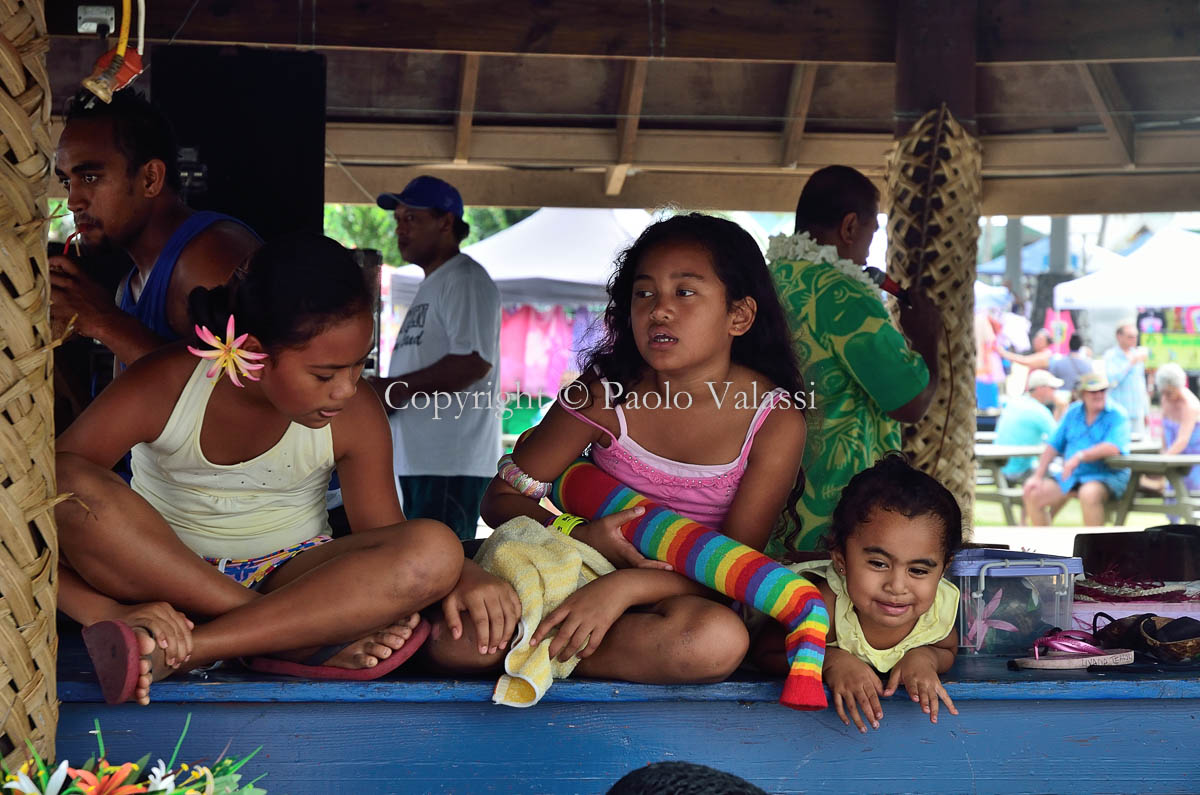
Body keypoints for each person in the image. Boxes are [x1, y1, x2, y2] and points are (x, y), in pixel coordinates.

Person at [54, 233, 473, 705]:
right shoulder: (165, 383)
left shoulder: (358, 414)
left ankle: (196, 648)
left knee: (433, 548)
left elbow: (390, 545)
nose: (346, 390)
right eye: (324, 375)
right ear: (254, 352)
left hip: (290, 574)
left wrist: (463, 571)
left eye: (359, 368)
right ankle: (291, 638)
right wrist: (103, 610)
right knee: (62, 481)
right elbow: (35, 508)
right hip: (160, 578)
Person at [431, 214, 809, 685]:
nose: (659, 310)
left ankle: (534, 650)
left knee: (716, 642)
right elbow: (500, 500)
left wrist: (622, 588)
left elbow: (734, 567)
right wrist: (580, 534)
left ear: (739, 315)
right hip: (573, 572)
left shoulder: (773, 420)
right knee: (460, 642)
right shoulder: (601, 394)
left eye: (685, 292)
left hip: (687, 596)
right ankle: (552, 645)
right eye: (644, 293)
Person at [766, 164, 942, 556]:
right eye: (870, 233)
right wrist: (926, 339)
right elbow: (909, 402)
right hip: (832, 503)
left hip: (764, 493)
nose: (867, 248)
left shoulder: (766, 279)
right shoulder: (843, 292)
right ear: (849, 227)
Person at [749, 454, 962, 732]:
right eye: (878, 563)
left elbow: (946, 648)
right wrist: (830, 661)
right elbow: (765, 651)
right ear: (840, 559)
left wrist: (924, 658)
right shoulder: (822, 605)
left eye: (919, 570)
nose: (897, 586)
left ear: (943, 569)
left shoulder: (936, 609)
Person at [51, 89, 260, 367]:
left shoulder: (209, 257)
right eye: (67, 182)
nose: (73, 201)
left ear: (150, 178)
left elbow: (247, 395)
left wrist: (103, 321)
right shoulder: (130, 286)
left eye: (90, 177)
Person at [370, 176, 501, 541]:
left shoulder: (464, 279)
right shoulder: (434, 282)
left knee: (439, 568)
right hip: (423, 460)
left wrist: (392, 389)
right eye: (398, 220)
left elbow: (473, 362)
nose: (400, 229)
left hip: (450, 462)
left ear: (445, 222)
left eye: (411, 218)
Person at [1022, 372, 1131, 527]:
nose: (1099, 395)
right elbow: (1053, 444)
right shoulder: (1073, 412)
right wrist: (1037, 476)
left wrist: (1080, 456)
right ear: (1083, 394)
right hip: (1073, 475)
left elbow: (1113, 447)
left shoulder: (1117, 414)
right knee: (1034, 493)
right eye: (1094, 391)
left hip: (1106, 475)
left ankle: (1093, 549)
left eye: (1103, 390)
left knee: (1089, 493)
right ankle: (1043, 547)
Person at [993, 369, 1061, 485]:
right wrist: (1061, 408)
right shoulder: (1040, 411)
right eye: (1052, 388)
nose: (1055, 392)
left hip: (1000, 467)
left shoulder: (1015, 402)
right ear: (1041, 389)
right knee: (1065, 475)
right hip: (1019, 470)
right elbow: (1059, 438)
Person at [1156, 363, 1200, 509]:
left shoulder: (1190, 405)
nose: (1166, 396)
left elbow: (1183, 439)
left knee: (1191, 502)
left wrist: (1163, 459)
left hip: (1193, 463)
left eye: (1170, 392)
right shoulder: (1165, 399)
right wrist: (1163, 450)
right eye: (1163, 392)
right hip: (1173, 458)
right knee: (1172, 503)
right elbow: (1164, 429)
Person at [1104, 323, 1150, 436]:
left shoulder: (1137, 354)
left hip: (1137, 412)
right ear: (1119, 336)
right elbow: (1112, 381)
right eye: (1130, 337)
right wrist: (1130, 363)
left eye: (1135, 336)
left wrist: (1146, 411)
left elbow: (1141, 384)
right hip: (1118, 412)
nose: (1134, 340)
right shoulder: (1110, 356)